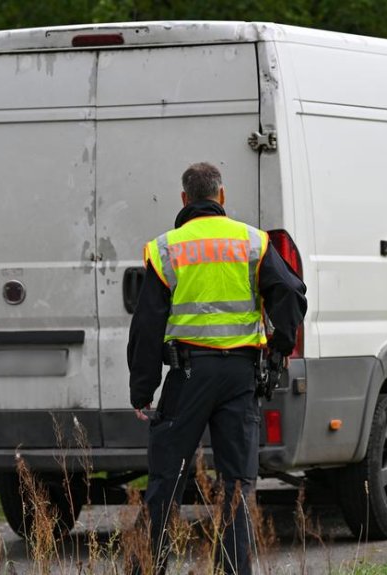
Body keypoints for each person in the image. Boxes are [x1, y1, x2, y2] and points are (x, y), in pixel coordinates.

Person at [127, 162, 307, 574]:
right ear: (221, 197)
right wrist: (279, 349)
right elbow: (292, 294)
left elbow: (148, 324)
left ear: (184, 199)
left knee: (166, 480)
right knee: (237, 485)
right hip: (241, 376)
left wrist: (142, 389)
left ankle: (147, 569)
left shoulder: (166, 248)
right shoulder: (253, 242)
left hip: (188, 375)